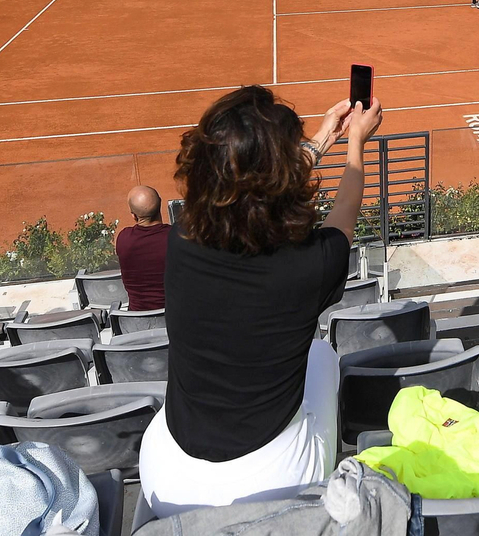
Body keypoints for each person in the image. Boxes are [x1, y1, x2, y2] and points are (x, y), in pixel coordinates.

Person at [136, 87, 381, 516]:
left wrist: (322, 138)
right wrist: (355, 143)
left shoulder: (183, 236)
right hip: (273, 485)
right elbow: (345, 210)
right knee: (322, 353)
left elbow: (242, 186)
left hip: (167, 474)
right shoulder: (311, 264)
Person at [114, 185, 170, 311]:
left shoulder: (124, 239)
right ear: (160, 204)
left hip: (137, 324)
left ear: (133, 215)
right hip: (175, 321)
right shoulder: (177, 237)